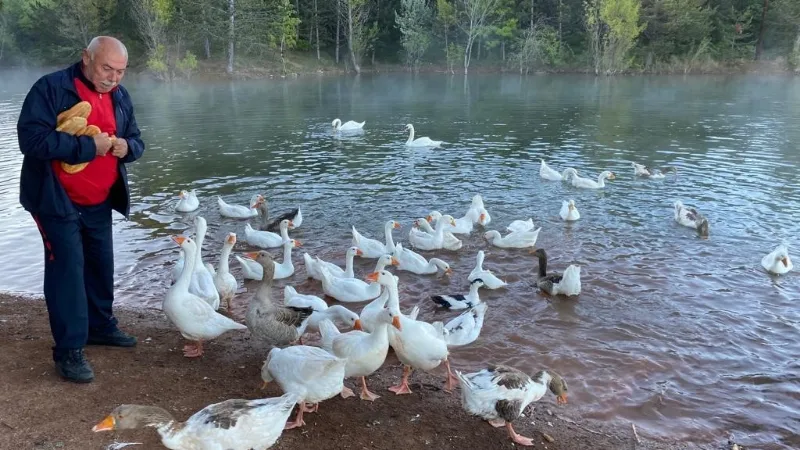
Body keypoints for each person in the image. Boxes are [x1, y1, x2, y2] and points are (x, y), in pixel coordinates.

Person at [16, 36, 145, 383]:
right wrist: (88, 145)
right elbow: (30, 140)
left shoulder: (120, 96)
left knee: (101, 264)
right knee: (68, 271)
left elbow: (137, 140)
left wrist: (125, 147)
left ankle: (100, 326)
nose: (113, 78)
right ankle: (69, 350)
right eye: (107, 68)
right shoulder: (52, 88)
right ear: (86, 57)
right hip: (55, 199)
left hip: (99, 200)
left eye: (120, 71)